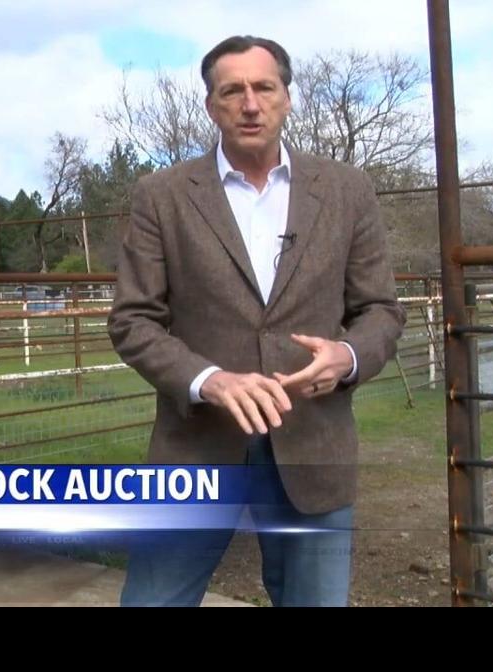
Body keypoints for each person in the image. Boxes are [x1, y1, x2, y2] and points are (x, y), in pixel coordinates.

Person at [107, 35, 406, 606]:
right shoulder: (162, 196)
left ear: (287, 98)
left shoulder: (347, 191)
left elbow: (380, 311)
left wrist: (345, 359)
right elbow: (133, 320)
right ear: (211, 104)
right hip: (195, 452)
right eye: (233, 90)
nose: (250, 103)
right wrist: (209, 380)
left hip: (314, 444)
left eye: (264, 87)